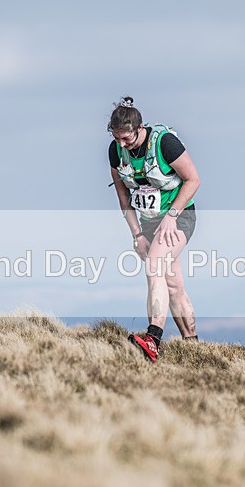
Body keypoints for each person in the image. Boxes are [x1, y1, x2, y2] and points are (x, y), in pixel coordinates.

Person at [107, 96, 200, 362]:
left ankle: (153, 339)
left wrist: (172, 215)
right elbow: (123, 197)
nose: (122, 144)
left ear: (139, 128)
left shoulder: (164, 143)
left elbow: (193, 180)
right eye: (118, 139)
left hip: (179, 217)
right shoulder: (116, 150)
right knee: (173, 285)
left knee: (155, 266)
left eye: (127, 139)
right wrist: (136, 234)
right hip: (148, 222)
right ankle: (193, 347)